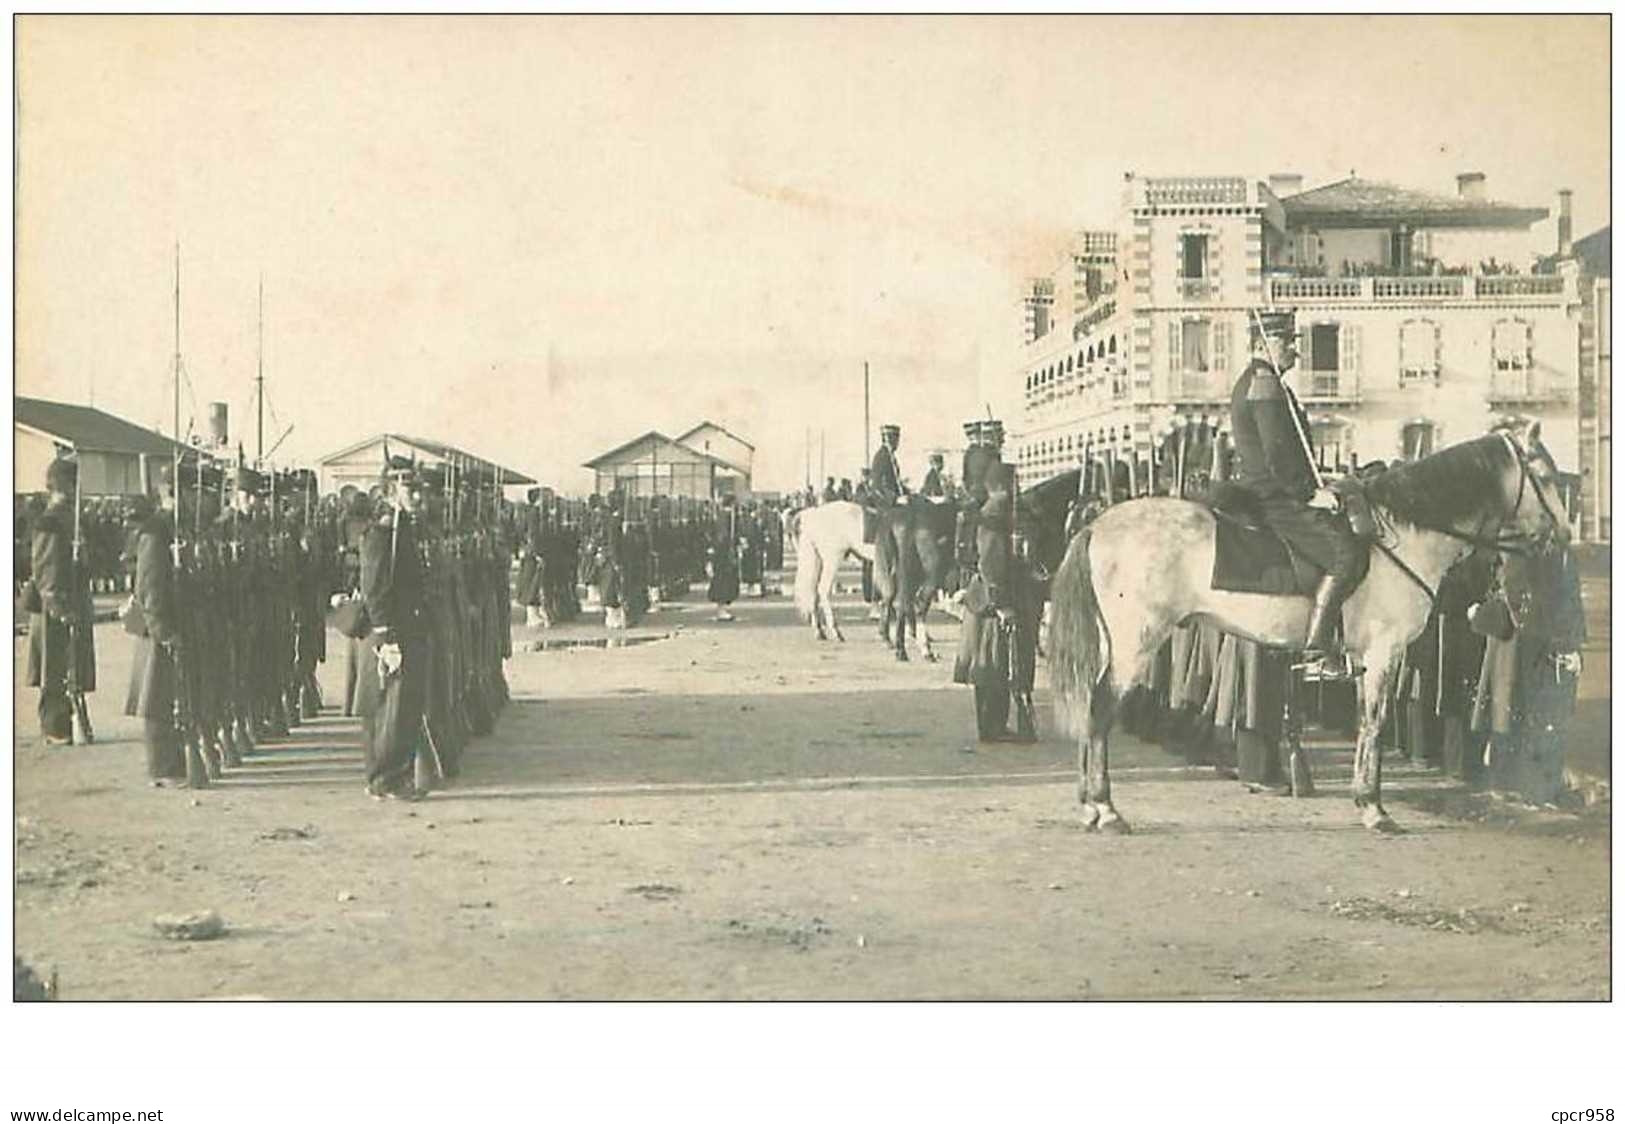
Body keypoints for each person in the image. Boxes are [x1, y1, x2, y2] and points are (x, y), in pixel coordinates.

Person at [1228, 310, 1361, 676]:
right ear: (1260, 344)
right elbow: (1277, 453)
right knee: (1343, 554)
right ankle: (1319, 649)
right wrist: (1308, 494)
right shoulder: (1264, 382)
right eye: (1285, 341)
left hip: (1273, 490)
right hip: (1276, 497)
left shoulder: (1265, 381)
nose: (1294, 351)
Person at [1470, 545, 1585, 806]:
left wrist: (1570, 641)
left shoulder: (1554, 551)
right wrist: (1549, 637)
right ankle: (1524, 786)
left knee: (1516, 711)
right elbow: (1516, 589)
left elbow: (1568, 599)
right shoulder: (1529, 548)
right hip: (1522, 642)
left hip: (1528, 640)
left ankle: (1523, 784)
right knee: (1518, 710)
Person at [355, 457, 431, 800]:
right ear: (389, 492)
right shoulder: (381, 535)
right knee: (391, 709)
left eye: (418, 490)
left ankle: (397, 775)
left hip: (412, 627)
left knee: (407, 707)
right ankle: (383, 778)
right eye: (409, 490)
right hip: (393, 632)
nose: (417, 497)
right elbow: (374, 589)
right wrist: (386, 638)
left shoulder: (406, 530)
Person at [125, 461, 186, 783]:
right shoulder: (155, 530)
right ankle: (161, 767)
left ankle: (173, 762)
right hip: (158, 628)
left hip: (175, 624)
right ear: (170, 494)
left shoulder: (178, 528)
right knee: (157, 697)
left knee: (172, 696)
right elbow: (149, 586)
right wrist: (163, 630)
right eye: (185, 493)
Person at [27, 456, 95, 745]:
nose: (80, 489)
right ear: (63, 485)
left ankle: (69, 719)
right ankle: (54, 726)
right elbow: (45, 568)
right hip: (53, 605)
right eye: (75, 483)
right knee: (53, 667)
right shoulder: (50, 522)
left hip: (74, 600)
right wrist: (58, 605)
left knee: (72, 665)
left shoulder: (72, 518)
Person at [708, 493, 742, 621]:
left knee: (723, 580)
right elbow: (723, 537)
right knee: (724, 580)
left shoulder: (722, 515)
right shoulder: (726, 516)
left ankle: (722, 609)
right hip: (723, 554)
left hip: (722, 553)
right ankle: (721, 610)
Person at [870, 424, 907, 505]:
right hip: (884, 503)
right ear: (888, 439)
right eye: (896, 439)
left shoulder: (891, 456)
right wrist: (895, 499)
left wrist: (908, 493)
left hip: (892, 501)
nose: (897, 443)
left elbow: (895, 482)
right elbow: (878, 486)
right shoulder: (881, 456)